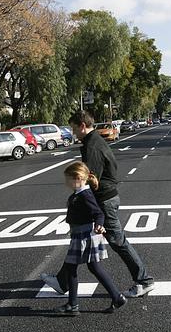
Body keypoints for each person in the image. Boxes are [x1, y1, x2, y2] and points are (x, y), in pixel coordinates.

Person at [41, 110, 155, 298]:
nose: (73, 132)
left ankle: (144, 280)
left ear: (83, 126)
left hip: (104, 200)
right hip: (105, 198)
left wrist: (82, 202)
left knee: (118, 242)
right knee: (80, 242)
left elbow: (90, 179)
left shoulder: (92, 146)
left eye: (74, 128)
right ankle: (62, 282)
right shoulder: (92, 142)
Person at [52, 161, 126, 316]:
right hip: (83, 234)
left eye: (68, 179)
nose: (66, 182)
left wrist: (99, 224)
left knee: (71, 269)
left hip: (84, 236)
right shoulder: (80, 193)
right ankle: (117, 297)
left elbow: (99, 213)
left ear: (78, 178)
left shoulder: (85, 195)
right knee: (94, 268)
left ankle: (73, 305)